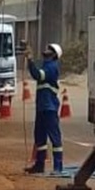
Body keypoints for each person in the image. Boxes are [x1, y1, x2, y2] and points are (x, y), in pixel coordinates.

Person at [25, 42, 64, 176]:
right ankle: (39, 165)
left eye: (50, 50)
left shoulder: (51, 67)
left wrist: (30, 59)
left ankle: (58, 167)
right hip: (42, 107)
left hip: (49, 108)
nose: (46, 51)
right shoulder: (46, 66)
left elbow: (37, 75)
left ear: (54, 55)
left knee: (54, 137)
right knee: (40, 137)